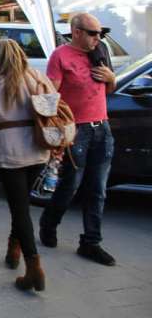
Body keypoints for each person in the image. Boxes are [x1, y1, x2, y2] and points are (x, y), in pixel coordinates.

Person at [39, 13, 117, 266]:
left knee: (98, 189)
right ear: (77, 32)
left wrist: (111, 79)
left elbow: (109, 89)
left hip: (101, 128)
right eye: (93, 33)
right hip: (76, 130)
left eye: (100, 34)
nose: (98, 38)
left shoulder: (101, 51)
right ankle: (49, 223)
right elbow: (51, 94)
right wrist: (54, 135)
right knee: (70, 184)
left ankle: (91, 242)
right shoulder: (60, 56)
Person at [0, 39, 53, 291]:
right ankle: (14, 247)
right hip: (39, 149)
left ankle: (33, 268)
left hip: (9, 152)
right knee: (21, 205)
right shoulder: (37, 77)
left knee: (19, 208)